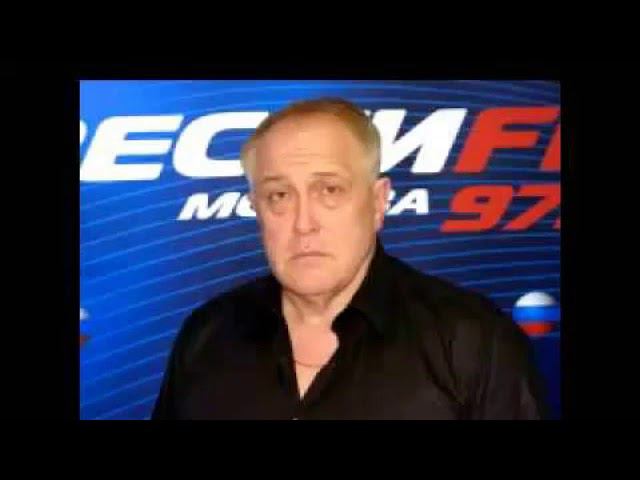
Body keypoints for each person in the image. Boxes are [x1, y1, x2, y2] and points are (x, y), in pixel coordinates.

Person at [151, 97, 548, 420]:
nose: (303, 223)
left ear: (377, 202)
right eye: (279, 196)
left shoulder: (472, 342)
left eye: (329, 190)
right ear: (256, 208)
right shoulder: (207, 337)